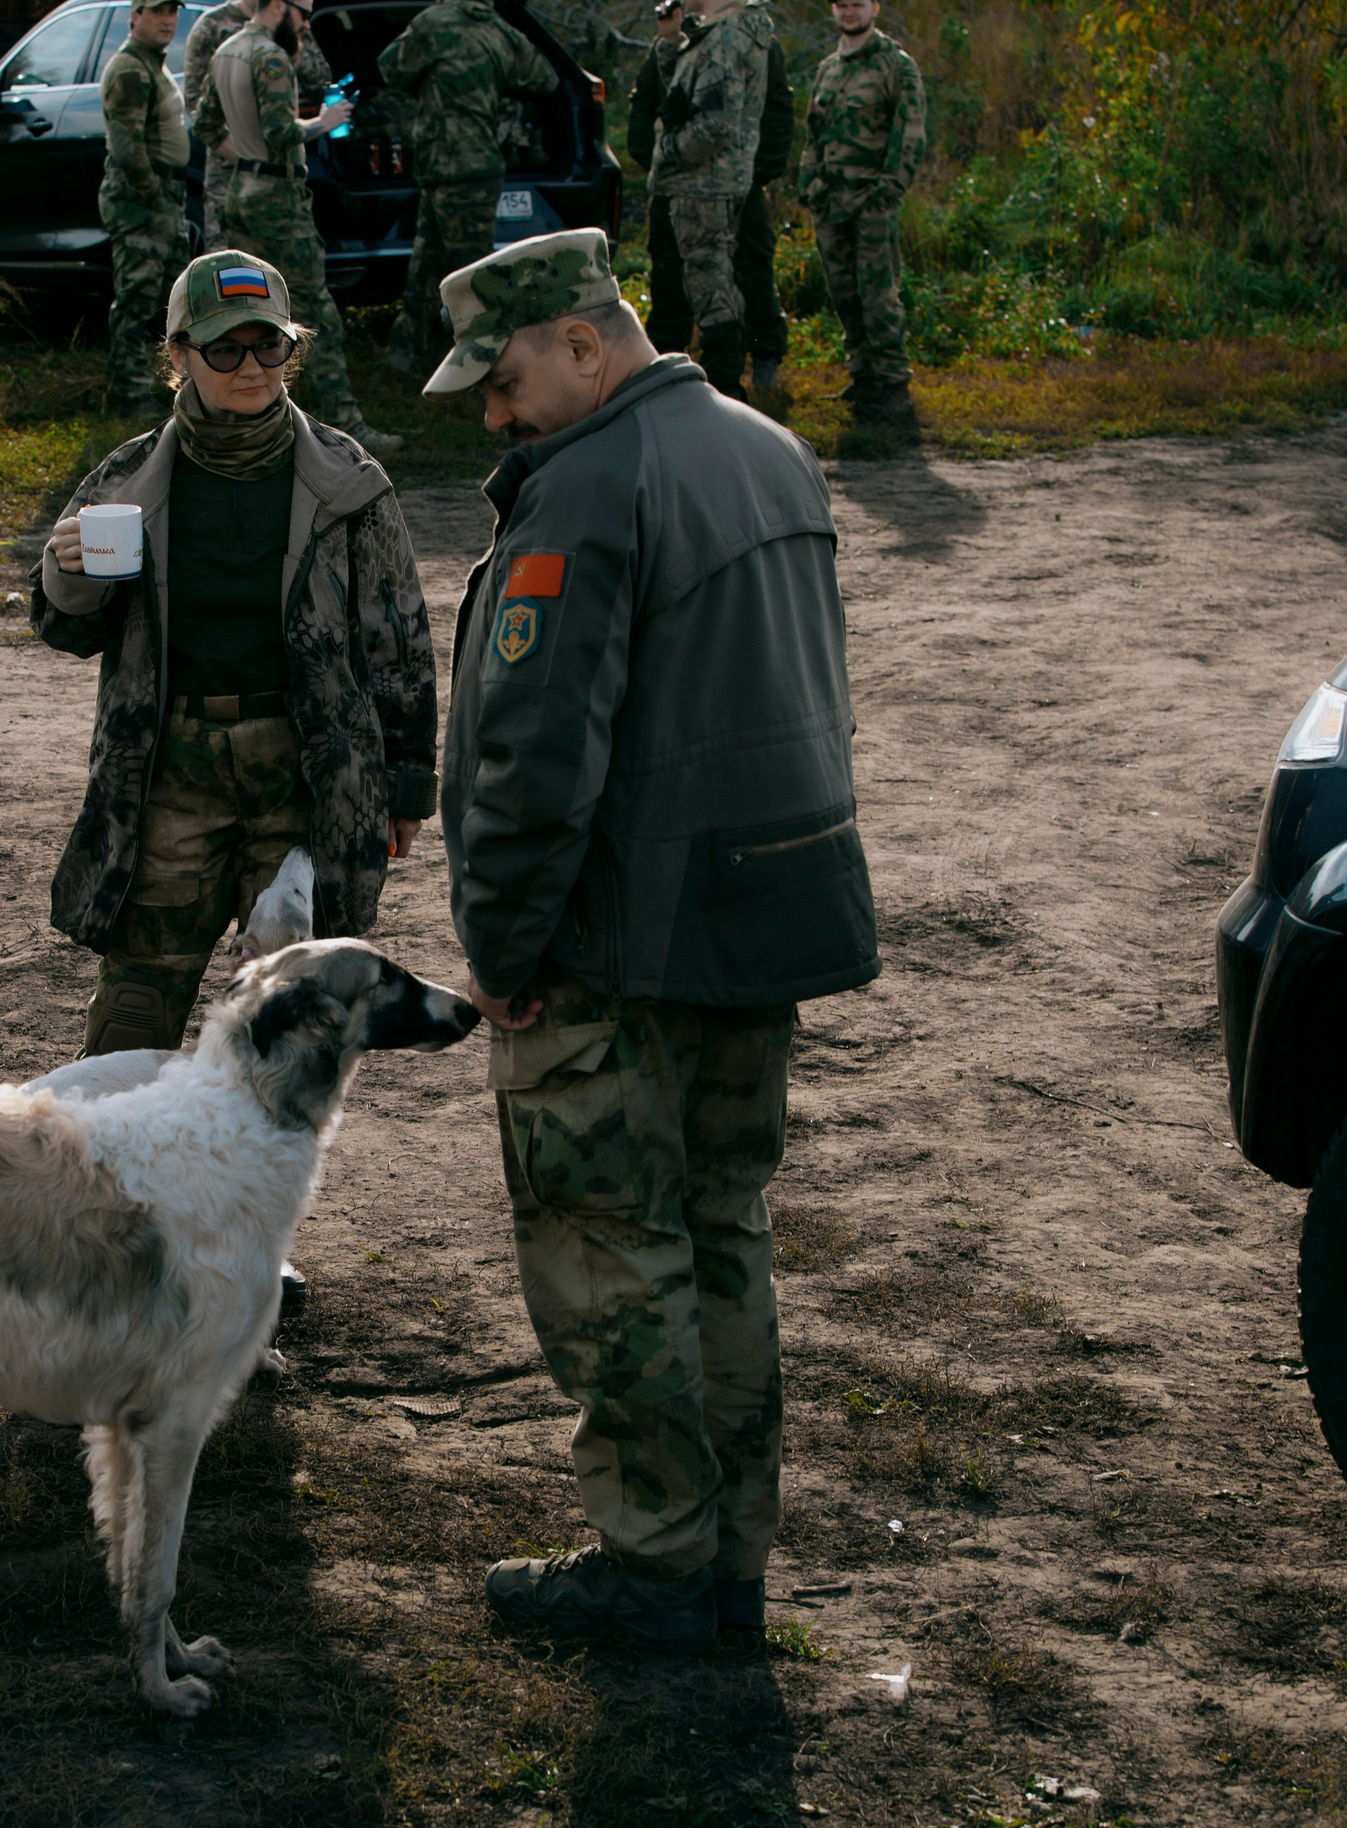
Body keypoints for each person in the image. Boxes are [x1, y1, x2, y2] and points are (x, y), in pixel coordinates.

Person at [420, 228, 878, 1651]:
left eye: (499, 383)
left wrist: (501, 947)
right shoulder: (769, 450)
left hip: (615, 948)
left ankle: (654, 1562)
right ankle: (729, 1555)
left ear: (581, 342)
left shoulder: (591, 486)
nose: (492, 417)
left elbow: (538, 755)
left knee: (613, 1257)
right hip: (761, 922)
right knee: (727, 1240)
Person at [31, 248, 435, 1064]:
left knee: (293, 1022)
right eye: (223, 349)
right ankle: (115, 1186)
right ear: (177, 358)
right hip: (172, 770)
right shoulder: (127, 479)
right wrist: (66, 575)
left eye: (269, 346)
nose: (251, 366)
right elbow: (65, 628)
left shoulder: (349, 483)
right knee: (135, 1017)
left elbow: (400, 644)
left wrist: (403, 787)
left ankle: (259, 1190)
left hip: (305, 776)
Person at [193, 0, 402, 451]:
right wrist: (322, 123)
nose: (306, 24)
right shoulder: (269, 56)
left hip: (242, 189)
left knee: (250, 309)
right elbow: (281, 132)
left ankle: (247, 417)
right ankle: (346, 426)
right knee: (315, 308)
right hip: (278, 198)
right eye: (301, 13)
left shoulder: (227, 50)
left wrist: (244, 156)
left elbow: (206, 123)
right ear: (276, 6)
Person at [374, 0, 552, 380]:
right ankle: (405, 358)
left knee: (471, 280)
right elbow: (544, 78)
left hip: (448, 166)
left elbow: (390, 68)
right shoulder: (501, 31)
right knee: (430, 269)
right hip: (475, 168)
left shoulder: (434, 22)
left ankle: (493, 368)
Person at [626, 1, 793, 393]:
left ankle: (727, 384)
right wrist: (670, 41)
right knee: (702, 281)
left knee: (722, 282)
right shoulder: (711, 35)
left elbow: (718, 123)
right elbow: (680, 95)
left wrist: (665, 151)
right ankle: (701, 377)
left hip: (711, 182)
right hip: (701, 181)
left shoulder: (728, 38)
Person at [798, 0, 926, 424]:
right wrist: (810, 185)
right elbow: (814, 134)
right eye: (842, 5)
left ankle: (894, 388)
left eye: (857, 4)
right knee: (844, 295)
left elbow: (909, 132)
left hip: (872, 201)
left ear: (875, 7)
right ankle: (864, 377)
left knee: (878, 296)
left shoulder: (896, 64)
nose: (849, 12)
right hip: (830, 203)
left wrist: (888, 190)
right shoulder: (829, 67)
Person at [101, 0, 195, 417]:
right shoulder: (129, 69)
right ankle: (127, 391)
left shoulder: (152, 65)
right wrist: (154, 197)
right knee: (136, 296)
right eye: (157, 11)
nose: (168, 20)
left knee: (170, 300)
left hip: (164, 198)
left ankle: (165, 385)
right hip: (142, 201)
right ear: (135, 16)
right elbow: (127, 146)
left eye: (172, 11)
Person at [183, 0, 334, 249]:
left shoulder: (289, 20)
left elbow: (321, 81)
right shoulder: (211, 26)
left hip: (281, 174)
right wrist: (244, 155)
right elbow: (195, 106)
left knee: (284, 267)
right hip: (227, 175)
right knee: (230, 267)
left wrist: (292, 48)